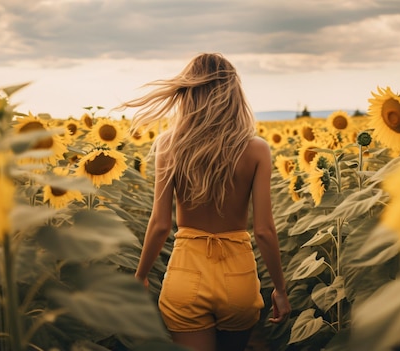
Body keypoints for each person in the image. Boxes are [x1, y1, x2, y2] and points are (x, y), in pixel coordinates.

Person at [120, 53, 291, 351]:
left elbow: (160, 224)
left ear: (189, 94)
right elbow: (264, 230)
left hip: (185, 275)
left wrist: (141, 277)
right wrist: (280, 288)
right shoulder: (257, 149)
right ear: (234, 94)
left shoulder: (169, 145)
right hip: (238, 277)